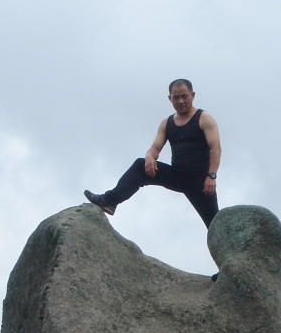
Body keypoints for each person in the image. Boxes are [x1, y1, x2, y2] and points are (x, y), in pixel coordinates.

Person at [86, 79, 221, 227]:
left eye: (184, 96)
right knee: (140, 166)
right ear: (170, 98)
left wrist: (211, 176)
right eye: (176, 97)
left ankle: (229, 246)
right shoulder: (166, 123)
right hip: (178, 175)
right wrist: (149, 157)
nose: (181, 101)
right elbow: (154, 149)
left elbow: (216, 148)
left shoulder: (204, 118)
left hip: (200, 181)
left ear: (193, 95)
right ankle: (109, 201)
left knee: (215, 224)